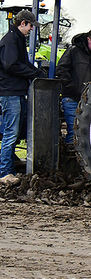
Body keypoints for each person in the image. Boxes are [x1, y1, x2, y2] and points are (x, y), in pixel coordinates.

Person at [0, 10, 46, 185]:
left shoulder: (16, 39)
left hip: (16, 91)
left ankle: (9, 165)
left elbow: (22, 63)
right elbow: (11, 66)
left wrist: (35, 72)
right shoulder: (11, 41)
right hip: (10, 92)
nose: (31, 30)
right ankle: (5, 172)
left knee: (14, 132)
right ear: (23, 23)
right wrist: (33, 72)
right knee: (11, 133)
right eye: (30, 26)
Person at [56, 30, 91, 150]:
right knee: (73, 130)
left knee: (86, 131)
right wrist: (72, 88)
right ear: (88, 39)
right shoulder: (73, 51)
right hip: (72, 97)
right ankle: (70, 162)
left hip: (89, 100)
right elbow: (61, 70)